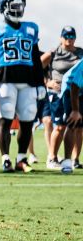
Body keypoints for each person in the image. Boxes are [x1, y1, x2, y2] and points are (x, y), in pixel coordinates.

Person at [0, 0, 46, 172]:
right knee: (5, 119)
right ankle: (5, 158)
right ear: (4, 7)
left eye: (21, 5)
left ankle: (21, 158)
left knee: (27, 120)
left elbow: (35, 59)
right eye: (14, 5)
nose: (19, 9)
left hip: (27, 80)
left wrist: (40, 82)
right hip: (4, 79)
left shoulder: (31, 27)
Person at [43, 26, 81, 171]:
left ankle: (71, 159)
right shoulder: (54, 53)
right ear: (61, 37)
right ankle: (52, 157)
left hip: (76, 94)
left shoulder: (80, 53)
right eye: (66, 36)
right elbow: (36, 67)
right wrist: (48, 82)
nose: (69, 39)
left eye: (72, 36)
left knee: (74, 126)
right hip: (58, 93)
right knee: (60, 126)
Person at [58, 59, 83, 173]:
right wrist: (75, 110)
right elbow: (74, 86)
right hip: (70, 88)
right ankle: (67, 161)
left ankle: (75, 159)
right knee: (73, 122)